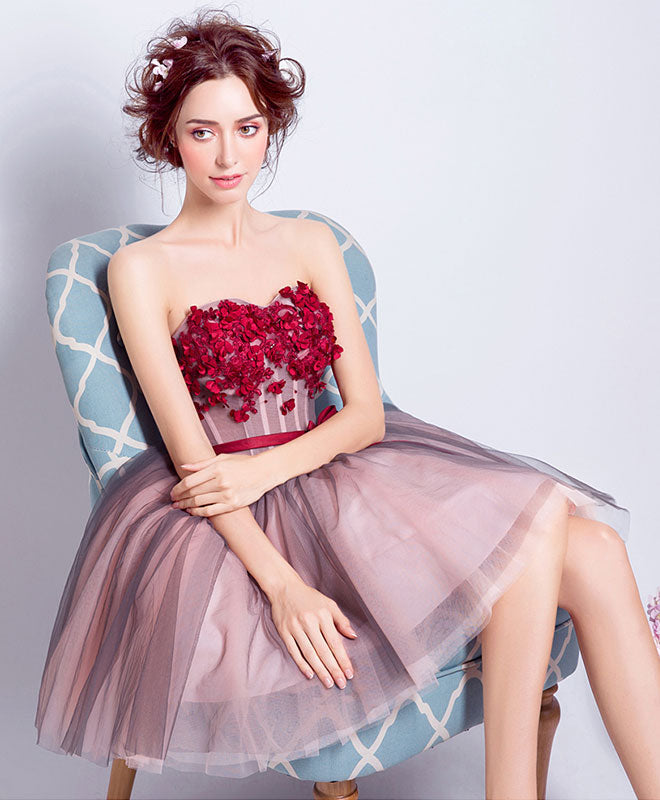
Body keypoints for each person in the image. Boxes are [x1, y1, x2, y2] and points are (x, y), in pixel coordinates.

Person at [34, 7, 660, 797]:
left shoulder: (309, 241)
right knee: (553, 535)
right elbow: (197, 468)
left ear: (270, 128)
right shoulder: (141, 269)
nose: (228, 156)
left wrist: (270, 467)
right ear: (168, 137)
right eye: (202, 132)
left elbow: (364, 415)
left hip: (337, 469)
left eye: (248, 128)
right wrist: (283, 587)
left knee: (592, 546)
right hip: (227, 514)